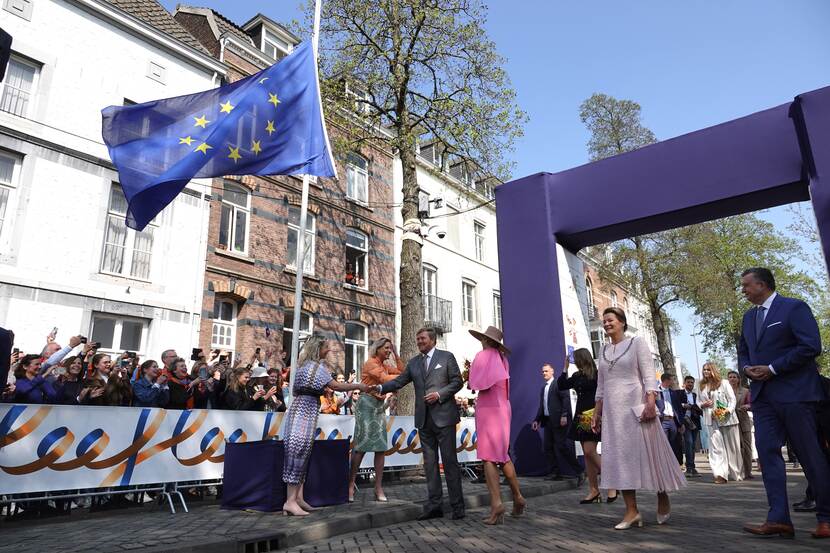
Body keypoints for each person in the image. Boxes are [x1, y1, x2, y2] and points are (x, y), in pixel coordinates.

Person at [738, 267, 830, 538]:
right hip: (763, 399)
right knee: (767, 454)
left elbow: (811, 345)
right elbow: (743, 350)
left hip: (796, 395)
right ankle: (779, 518)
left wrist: (773, 368)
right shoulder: (748, 317)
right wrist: (746, 369)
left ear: (763, 285)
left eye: (746, 285)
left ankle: (826, 517)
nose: (742, 290)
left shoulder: (794, 308)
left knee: (810, 455)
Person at [591, 307, 686, 530]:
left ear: (622, 322)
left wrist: (651, 401)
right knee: (620, 459)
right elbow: (601, 385)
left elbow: (648, 374)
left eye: (610, 320)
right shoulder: (603, 350)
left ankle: (662, 494)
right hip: (614, 415)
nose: (606, 324)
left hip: (637, 408)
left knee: (650, 454)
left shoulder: (637, 344)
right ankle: (631, 511)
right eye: (604, 321)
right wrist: (596, 411)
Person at [377, 327, 465, 521]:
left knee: (450, 462)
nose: (419, 342)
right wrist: (380, 387)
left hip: (445, 419)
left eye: (422, 338)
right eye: (417, 339)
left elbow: (458, 382)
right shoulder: (414, 363)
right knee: (430, 465)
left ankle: (457, 506)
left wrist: (440, 394)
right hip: (424, 421)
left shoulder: (446, 357)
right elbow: (400, 381)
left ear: (432, 340)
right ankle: (434, 506)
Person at [282, 335, 366, 516]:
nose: (329, 350)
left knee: (302, 453)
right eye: (326, 347)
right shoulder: (315, 367)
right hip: (304, 413)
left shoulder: (304, 366)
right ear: (317, 348)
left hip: (302, 410)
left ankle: (298, 498)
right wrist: (359, 386)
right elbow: (335, 386)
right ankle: (290, 501)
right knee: (298, 452)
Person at [468, 326, 525, 525]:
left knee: (488, 457)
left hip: (488, 409)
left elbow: (475, 385)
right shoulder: (503, 359)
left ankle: (497, 504)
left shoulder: (482, 356)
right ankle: (517, 497)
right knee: (503, 455)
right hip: (503, 407)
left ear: (486, 340)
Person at [348, 337, 403, 503]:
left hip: (378, 406)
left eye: (389, 348)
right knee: (361, 446)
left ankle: (378, 487)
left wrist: (395, 353)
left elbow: (401, 371)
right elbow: (387, 380)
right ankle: (350, 484)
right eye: (386, 348)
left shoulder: (384, 365)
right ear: (377, 348)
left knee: (380, 447)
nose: (387, 350)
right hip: (366, 405)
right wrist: (402, 380)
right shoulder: (370, 363)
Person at [558, 348, 616, 503]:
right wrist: (564, 368)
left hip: (593, 414)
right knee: (587, 455)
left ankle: (613, 482)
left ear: (582, 358)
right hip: (581, 416)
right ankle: (594, 490)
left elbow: (605, 394)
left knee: (590, 451)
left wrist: (601, 414)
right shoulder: (577, 376)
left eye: (575, 359)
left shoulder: (597, 374)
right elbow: (562, 385)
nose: (574, 361)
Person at [532, 363, 583, 482]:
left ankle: (580, 471)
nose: (544, 373)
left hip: (559, 421)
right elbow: (542, 406)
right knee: (548, 447)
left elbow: (565, 399)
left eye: (546, 371)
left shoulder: (557, 384)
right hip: (548, 421)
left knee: (561, 446)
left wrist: (564, 415)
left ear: (552, 371)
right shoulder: (544, 388)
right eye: (543, 372)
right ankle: (555, 473)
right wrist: (537, 420)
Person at [699, 362, 742, 483]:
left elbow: (732, 400)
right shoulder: (702, 385)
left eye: (708, 369)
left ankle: (736, 473)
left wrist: (727, 411)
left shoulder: (724, 383)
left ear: (713, 370)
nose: (705, 372)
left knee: (732, 448)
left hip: (727, 419)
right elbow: (698, 401)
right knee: (716, 448)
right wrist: (703, 404)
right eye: (704, 370)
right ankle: (720, 474)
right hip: (711, 420)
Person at [729, 370, 755, 480]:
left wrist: (747, 406)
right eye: (730, 377)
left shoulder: (745, 391)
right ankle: (737, 472)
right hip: (730, 423)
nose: (732, 379)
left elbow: (752, 404)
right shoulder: (725, 392)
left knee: (747, 448)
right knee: (735, 448)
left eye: (735, 377)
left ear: (739, 379)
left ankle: (748, 472)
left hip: (743, 422)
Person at [657, 373, 685, 466]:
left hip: (673, 421)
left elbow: (679, 408)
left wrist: (681, 423)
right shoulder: (657, 392)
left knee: (675, 442)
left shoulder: (673, 393)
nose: (673, 382)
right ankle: (665, 464)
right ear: (666, 380)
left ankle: (675, 464)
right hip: (662, 420)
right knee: (664, 443)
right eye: (671, 380)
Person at [679, 375, 703, 477]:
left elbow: (699, 407)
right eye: (688, 382)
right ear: (684, 383)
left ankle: (692, 467)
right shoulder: (679, 393)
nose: (690, 384)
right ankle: (689, 467)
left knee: (693, 445)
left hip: (695, 422)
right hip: (685, 422)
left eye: (692, 382)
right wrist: (684, 405)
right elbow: (676, 404)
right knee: (688, 443)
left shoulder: (695, 395)